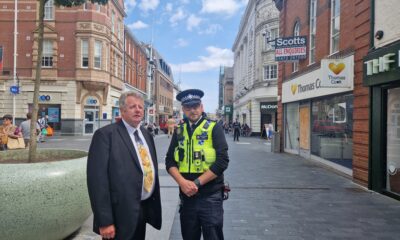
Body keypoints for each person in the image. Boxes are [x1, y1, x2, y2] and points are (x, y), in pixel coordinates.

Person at [87, 91, 162, 240]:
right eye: (133, 106)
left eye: (141, 107)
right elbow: (97, 181)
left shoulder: (146, 134)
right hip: (118, 214)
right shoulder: (105, 135)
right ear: (122, 110)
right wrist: (105, 221)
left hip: (143, 209)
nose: (138, 110)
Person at [165, 89, 229, 240]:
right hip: (187, 197)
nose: (192, 110)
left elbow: (222, 161)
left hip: (210, 196)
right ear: (183, 109)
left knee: (213, 236)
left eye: (195, 106)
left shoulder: (214, 127)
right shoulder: (179, 130)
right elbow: (169, 160)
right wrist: (182, 182)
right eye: (188, 107)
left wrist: (196, 183)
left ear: (202, 107)